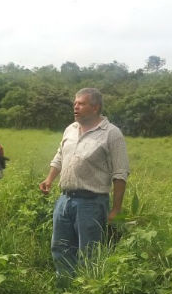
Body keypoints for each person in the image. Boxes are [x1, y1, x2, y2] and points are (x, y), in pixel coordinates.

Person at [39, 87, 129, 279]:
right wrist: (49, 179)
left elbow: (120, 174)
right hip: (64, 200)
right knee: (60, 247)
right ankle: (65, 287)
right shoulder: (70, 129)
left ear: (95, 107)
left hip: (92, 203)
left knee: (89, 253)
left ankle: (87, 291)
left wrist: (116, 209)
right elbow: (60, 156)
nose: (76, 107)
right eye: (75, 103)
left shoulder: (111, 133)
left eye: (81, 103)